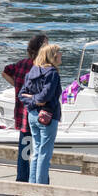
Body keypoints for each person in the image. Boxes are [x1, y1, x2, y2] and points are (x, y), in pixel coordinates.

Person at [1, 34, 44, 182]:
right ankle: (36, 180)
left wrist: (17, 87)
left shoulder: (21, 64)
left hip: (22, 115)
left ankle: (22, 178)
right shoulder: (41, 68)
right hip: (36, 115)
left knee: (25, 150)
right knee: (39, 150)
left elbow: (5, 71)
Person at [22, 43, 63, 186]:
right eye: (59, 52)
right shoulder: (52, 73)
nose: (61, 55)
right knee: (44, 153)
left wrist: (32, 99)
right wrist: (38, 100)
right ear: (52, 55)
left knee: (37, 152)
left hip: (32, 115)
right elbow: (45, 96)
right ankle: (41, 191)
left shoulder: (33, 71)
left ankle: (33, 189)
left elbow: (23, 95)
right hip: (47, 116)